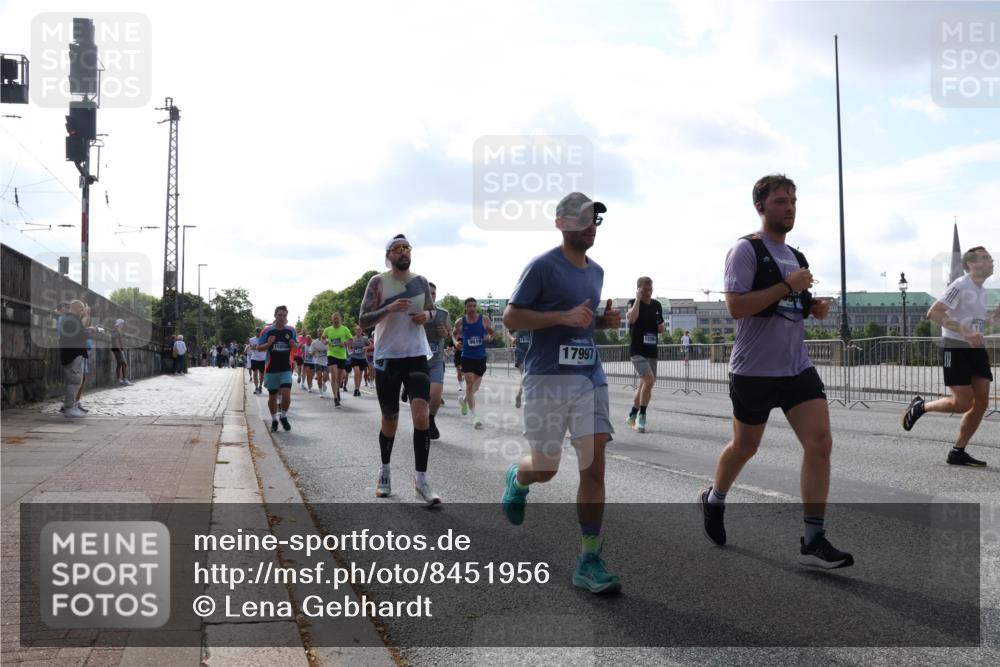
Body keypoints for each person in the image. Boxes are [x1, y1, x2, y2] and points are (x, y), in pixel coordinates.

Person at [700, 173, 853, 570]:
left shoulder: (797, 257)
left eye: (793, 201)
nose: (789, 208)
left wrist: (812, 306)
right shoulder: (745, 251)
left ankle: (813, 538)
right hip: (754, 371)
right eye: (781, 201)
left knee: (820, 443)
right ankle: (714, 498)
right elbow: (736, 307)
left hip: (795, 368)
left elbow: (793, 308)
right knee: (745, 447)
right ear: (761, 206)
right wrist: (788, 287)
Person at [500, 192, 622, 594]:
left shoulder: (597, 271)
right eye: (583, 218)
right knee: (547, 469)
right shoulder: (541, 267)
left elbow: (582, 324)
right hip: (547, 378)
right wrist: (560, 316)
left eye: (595, 219)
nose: (590, 225)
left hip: (589, 376)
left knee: (594, 466)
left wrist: (601, 321)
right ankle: (519, 477)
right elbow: (512, 318)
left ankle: (589, 556)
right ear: (560, 223)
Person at [359, 234, 440, 505]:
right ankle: (384, 472)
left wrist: (425, 316)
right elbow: (363, 320)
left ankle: (422, 479)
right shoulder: (378, 282)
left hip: (416, 354)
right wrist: (389, 308)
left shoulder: (420, 282)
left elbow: (432, 311)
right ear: (388, 255)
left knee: (421, 415)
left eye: (407, 248)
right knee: (390, 419)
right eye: (397, 249)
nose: (403, 252)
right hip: (388, 356)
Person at [903, 246, 999, 466]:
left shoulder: (982, 290)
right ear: (971, 264)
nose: (991, 261)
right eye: (985, 258)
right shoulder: (960, 285)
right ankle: (920, 407)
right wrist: (965, 332)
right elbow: (934, 313)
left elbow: (975, 323)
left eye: (991, 258)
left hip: (975, 349)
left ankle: (958, 450)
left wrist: (993, 319)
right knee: (963, 403)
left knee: (982, 401)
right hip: (955, 347)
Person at [625, 277, 665, 433]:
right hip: (637, 350)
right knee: (649, 380)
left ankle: (631, 416)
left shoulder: (656, 305)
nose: (649, 292)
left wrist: (660, 325)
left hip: (651, 350)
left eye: (651, 289)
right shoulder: (632, 303)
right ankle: (642, 416)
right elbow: (631, 318)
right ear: (639, 289)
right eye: (645, 289)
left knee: (645, 384)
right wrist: (637, 299)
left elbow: (661, 328)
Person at [453, 297, 495, 429]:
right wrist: (456, 343)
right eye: (469, 306)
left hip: (481, 358)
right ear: (465, 308)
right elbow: (453, 335)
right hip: (467, 358)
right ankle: (475, 416)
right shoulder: (461, 322)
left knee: (475, 388)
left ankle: (464, 401)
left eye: (474, 306)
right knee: (470, 385)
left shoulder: (484, 320)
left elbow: (492, 332)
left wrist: (489, 337)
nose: (472, 308)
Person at [257, 305, 299, 432]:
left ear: (286, 316)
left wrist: (294, 344)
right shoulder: (267, 331)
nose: (281, 318)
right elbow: (259, 348)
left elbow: (297, 345)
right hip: (271, 368)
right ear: (275, 315)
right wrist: (268, 344)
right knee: (272, 397)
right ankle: (274, 419)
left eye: (284, 315)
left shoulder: (291, 330)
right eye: (279, 315)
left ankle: (284, 416)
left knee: (286, 394)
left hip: (286, 368)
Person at [423, 283, 452, 439]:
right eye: (428, 293)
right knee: (420, 400)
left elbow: (449, 334)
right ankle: (421, 428)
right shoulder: (414, 313)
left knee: (435, 395)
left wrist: (445, 333)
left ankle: (431, 419)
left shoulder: (443, 313)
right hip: (418, 362)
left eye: (433, 293)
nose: (431, 295)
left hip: (436, 360)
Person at [59, 300, 90, 418]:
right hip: (73, 354)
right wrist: (87, 331)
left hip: (72, 353)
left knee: (75, 381)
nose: (82, 312)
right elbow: (82, 334)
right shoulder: (71, 320)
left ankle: (70, 406)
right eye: (82, 309)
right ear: (77, 308)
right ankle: (69, 408)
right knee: (74, 381)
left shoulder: (70, 319)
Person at [324, 312, 352, 407]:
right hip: (331, 354)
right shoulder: (327, 329)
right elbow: (323, 338)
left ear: (340, 319)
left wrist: (344, 344)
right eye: (334, 319)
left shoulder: (345, 329)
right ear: (331, 320)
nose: (336, 320)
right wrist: (326, 341)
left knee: (340, 377)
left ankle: (337, 391)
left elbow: (351, 340)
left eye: (337, 318)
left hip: (342, 355)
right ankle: (335, 398)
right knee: (334, 376)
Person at [508, 329, 531, 408]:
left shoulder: (534, 323)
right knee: (525, 374)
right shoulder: (518, 322)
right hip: (520, 353)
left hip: (531, 354)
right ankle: (524, 396)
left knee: (527, 376)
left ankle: (519, 394)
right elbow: (508, 333)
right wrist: (512, 339)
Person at [349, 326, 370, 397]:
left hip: (362, 358)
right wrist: (351, 352)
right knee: (356, 372)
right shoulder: (352, 338)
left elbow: (371, 345)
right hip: (354, 357)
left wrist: (365, 348)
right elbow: (348, 346)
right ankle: (355, 389)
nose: (358, 331)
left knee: (360, 374)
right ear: (355, 331)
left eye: (359, 330)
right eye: (357, 330)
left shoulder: (365, 338)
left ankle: (358, 389)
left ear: (361, 331)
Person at [111, 318, 132, 386]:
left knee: (120, 364)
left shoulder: (116, 331)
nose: (123, 325)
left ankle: (119, 380)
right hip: (118, 349)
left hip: (116, 349)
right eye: (122, 324)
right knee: (124, 364)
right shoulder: (117, 331)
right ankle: (124, 380)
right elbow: (117, 342)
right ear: (120, 324)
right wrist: (120, 350)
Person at [310, 329, 330, 397]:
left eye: (322, 332)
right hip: (317, 361)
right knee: (319, 376)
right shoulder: (314, 342)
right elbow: (310, 351)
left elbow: (331, 349)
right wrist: (313, 353)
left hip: (326, 361)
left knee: (325, 377)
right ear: (317, 334)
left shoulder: (327, 341)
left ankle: (324, 383)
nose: (321, 334)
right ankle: (321, 392)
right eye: (319, 332)